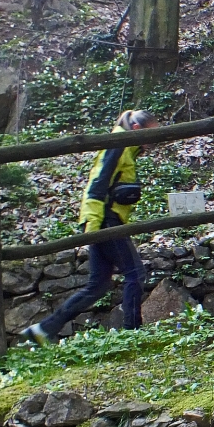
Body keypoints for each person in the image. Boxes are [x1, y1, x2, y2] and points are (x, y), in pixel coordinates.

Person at [23, 110, 157, 344]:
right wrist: (94, 227)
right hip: (105, 219)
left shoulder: (124, 147)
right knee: (135, 274)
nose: (154, 142)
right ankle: (132, 334)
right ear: (136, 130)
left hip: (101, 217)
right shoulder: (118, 144)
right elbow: (98, 183)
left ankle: (43, 330)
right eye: (152, 135)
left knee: (98, 286)